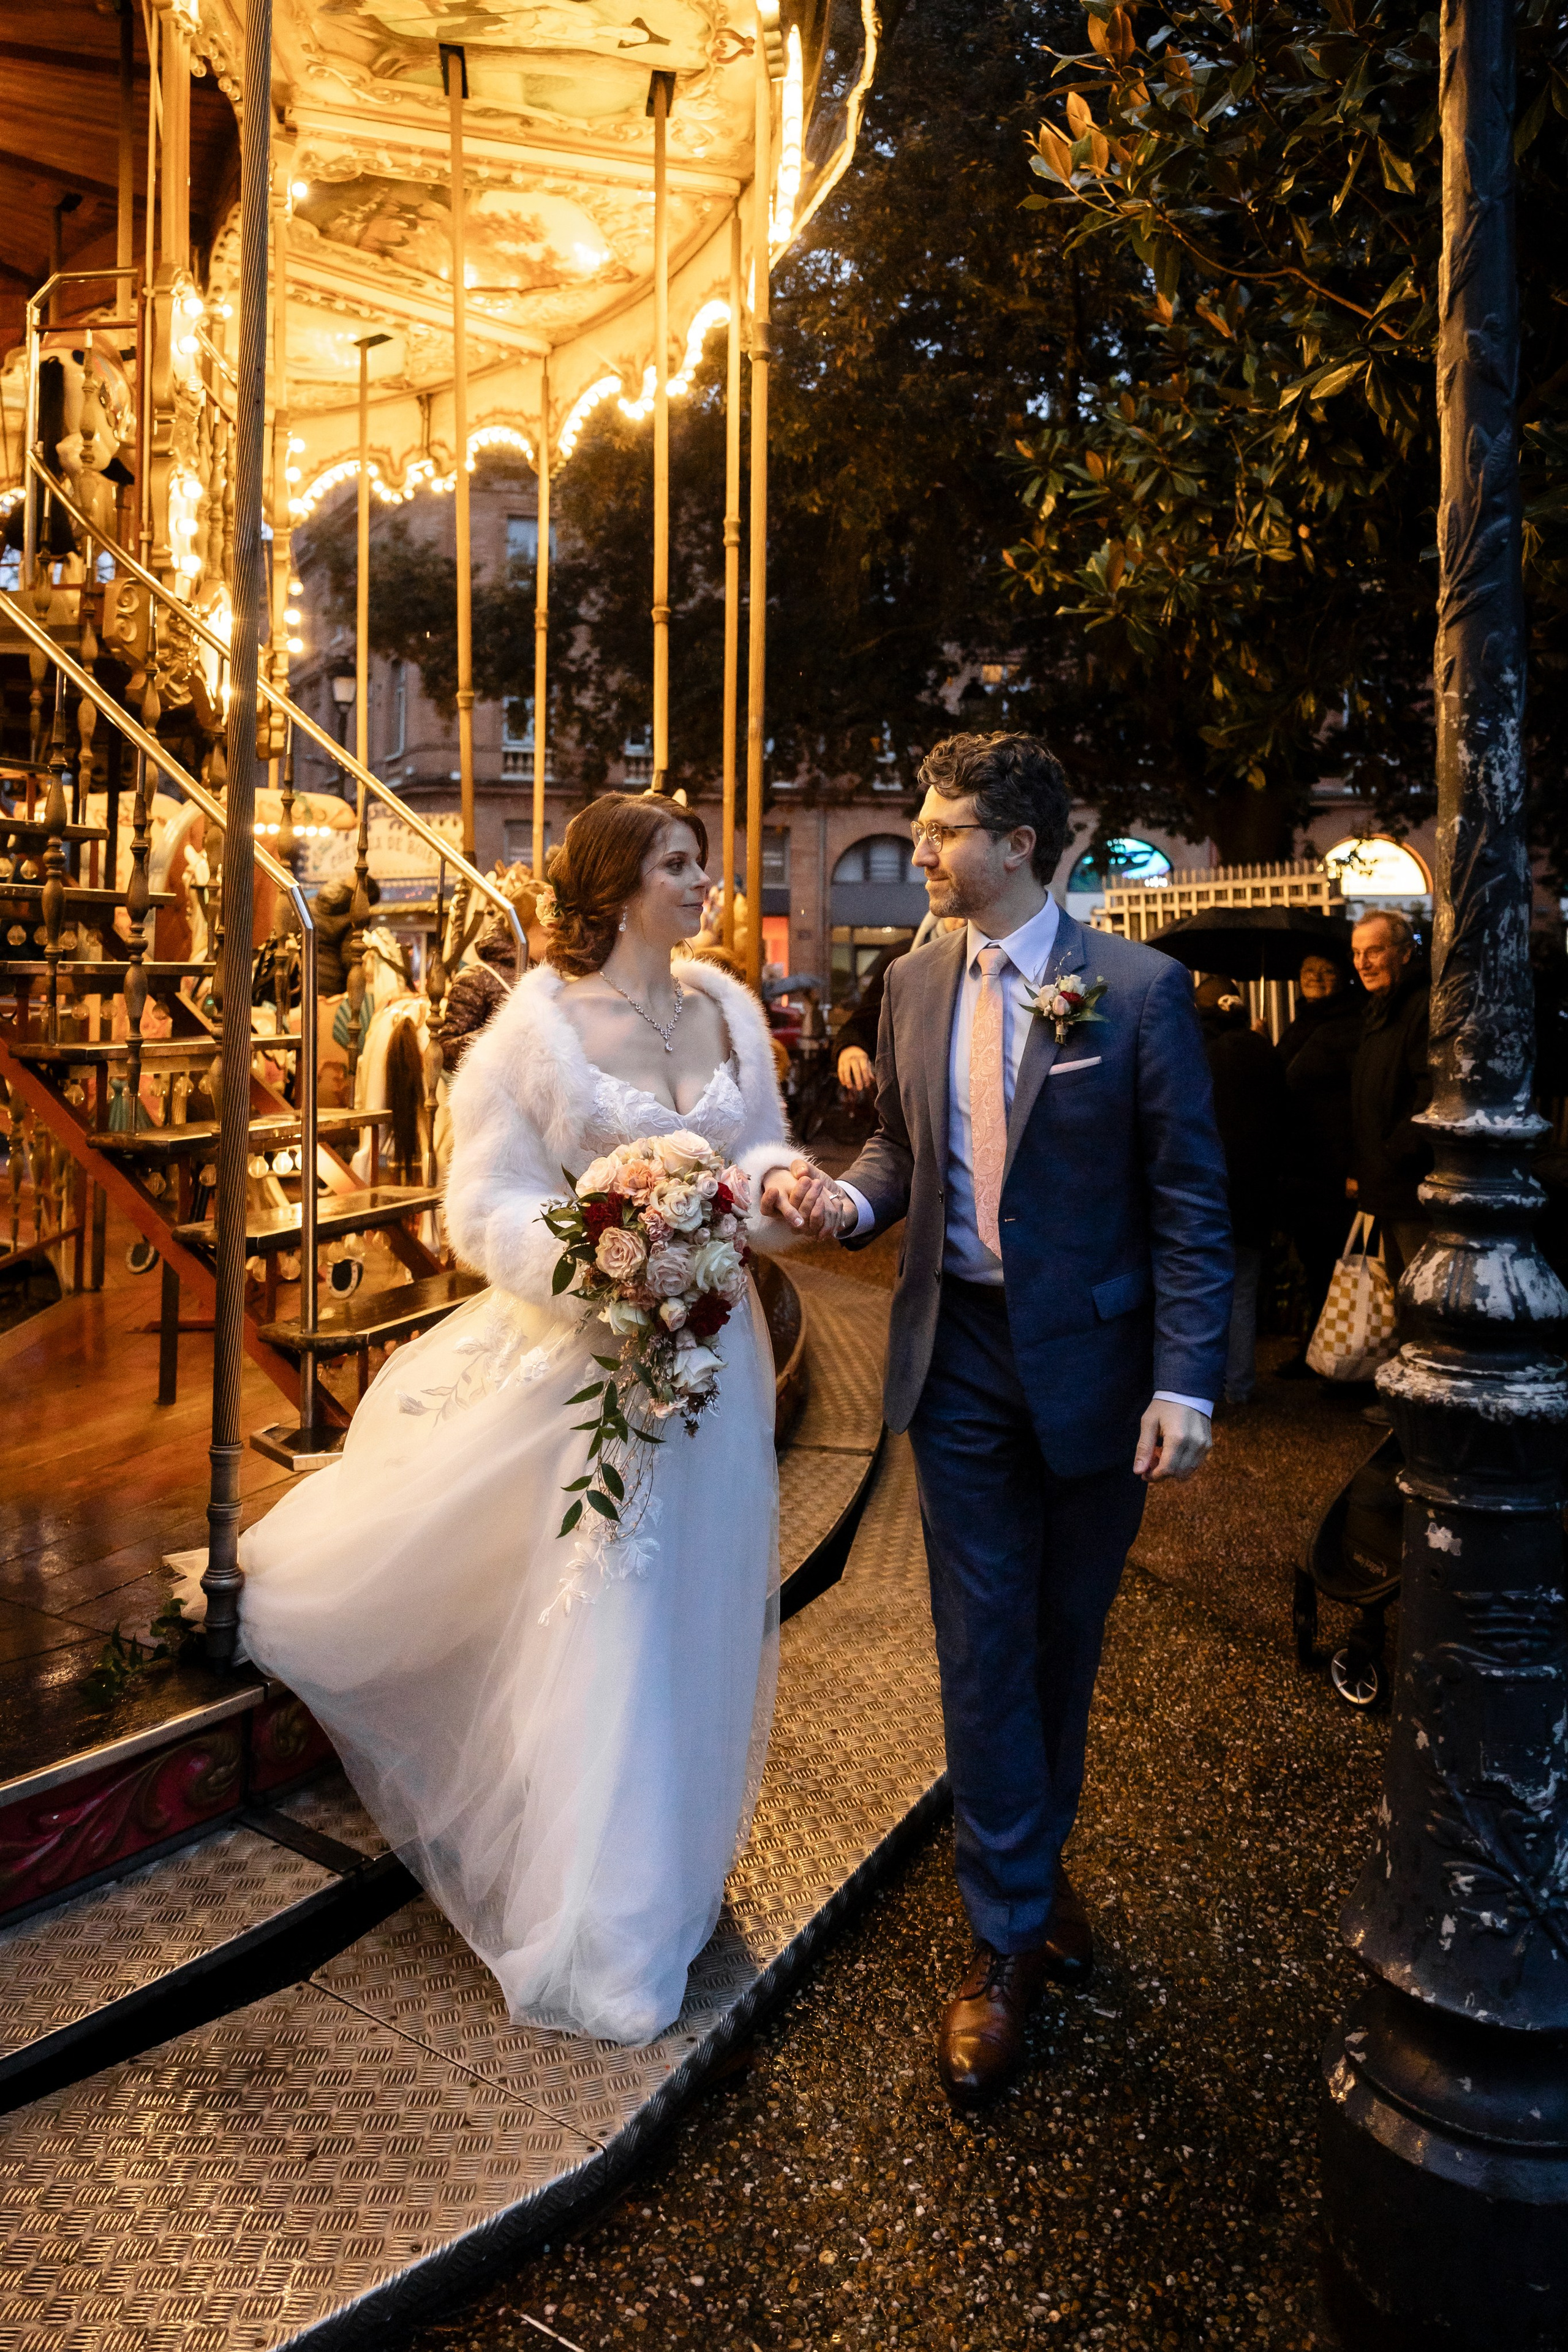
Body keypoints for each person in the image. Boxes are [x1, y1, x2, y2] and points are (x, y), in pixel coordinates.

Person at [232, 794, 820, 2045]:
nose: (702, 883)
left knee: (696, 1603)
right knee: (612, 1612)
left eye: (702, 864)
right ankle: (606, 1920)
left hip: (715, 1353)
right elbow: (483, 1203)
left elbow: (761, 1152)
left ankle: (673, 1860)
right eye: (677, 864)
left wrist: (784, 1190)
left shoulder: (726, 1008)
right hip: (595, 1357)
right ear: (614, 886)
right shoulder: (536, 1030)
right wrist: (599, 1269)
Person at [775, 731, 1232, 2108]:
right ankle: (1001, 1939)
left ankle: (1030, 1871)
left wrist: (1185, 1378)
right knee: (981, 1645)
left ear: (1020, 844)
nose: (917, 849)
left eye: (941, 830)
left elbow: (1188, 1202)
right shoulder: (911, 982)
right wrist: (849, 1202)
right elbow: (900, 1151)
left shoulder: (1136, 993)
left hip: (1097, 1370)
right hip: (960, 1357)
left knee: (1060, 1640)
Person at [1193, 976, 1287, 1406]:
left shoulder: (1192, 1050)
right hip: (1255, 1190)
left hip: (1203, 1190)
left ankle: (1200, 1386)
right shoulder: (1260, 1051)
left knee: (1197, 1291)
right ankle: (1239, 1386)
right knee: (1243, 1290)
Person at [1275, 948, 1362, 1377]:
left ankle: (1340, 1357)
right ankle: (1316, 1351)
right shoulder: (1302, 1021)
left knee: (1335, 1265)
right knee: (1313, 1262)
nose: (1316, 977)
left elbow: (1362, 1097)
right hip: (1301, 1164)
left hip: (1333, 1167)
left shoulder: (1352, 1022)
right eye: (1309, 970)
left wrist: (1356, 1165)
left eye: (1327, 970)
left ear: (1343, 977)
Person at [1348, 908, 1431, 1290]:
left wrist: (1394, 1153)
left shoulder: (1420, 1008)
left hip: (1411, 1189)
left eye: (1374, 951)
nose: (1362, 963)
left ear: (1405, 953)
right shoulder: (1379, 1010)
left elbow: (1431, 1093)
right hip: (1386, 1185)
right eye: (1356, 953)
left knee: (1418, 1297)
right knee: (1397, 1297)